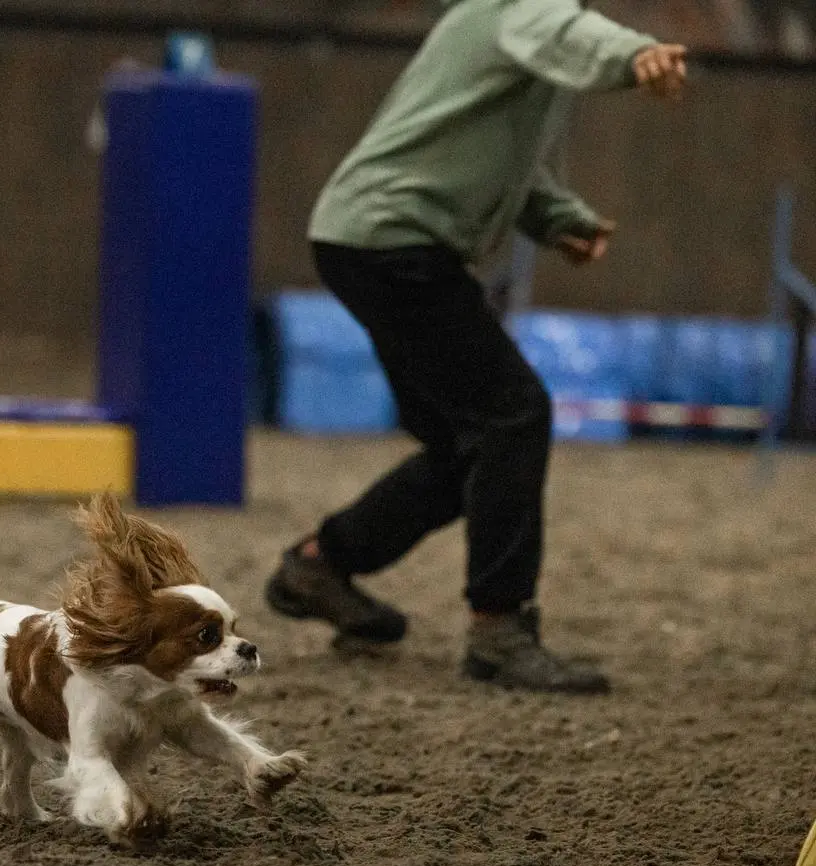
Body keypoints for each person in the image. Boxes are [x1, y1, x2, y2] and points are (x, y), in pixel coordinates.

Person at [265, 0, 688, 693]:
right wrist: (635, 56)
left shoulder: (512, 28)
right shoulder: (518, 9)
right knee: (513, 414)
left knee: (469, 444)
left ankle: (319, 565)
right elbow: (573, 34)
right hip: (393, 242)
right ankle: (498, 631)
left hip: (368, 239)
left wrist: (558, 219)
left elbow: (497, 155)